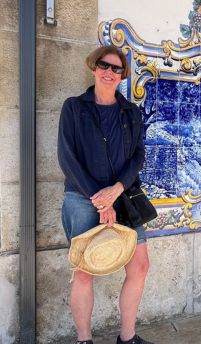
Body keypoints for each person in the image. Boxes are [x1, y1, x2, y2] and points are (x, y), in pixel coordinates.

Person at [57, 45, 153, 344]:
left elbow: (137, 156)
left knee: (140, 266)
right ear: (93, 67)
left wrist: (116, 190)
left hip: (124, 196)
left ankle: (127, 337)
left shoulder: (130, 112)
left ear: (122, 75)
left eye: (116, 69)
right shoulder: (74, 107)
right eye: (104, 65)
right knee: (85, 271)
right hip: (82, 199)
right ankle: (84, 340)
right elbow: (66, 157)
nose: (110, 72)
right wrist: (100, 200)